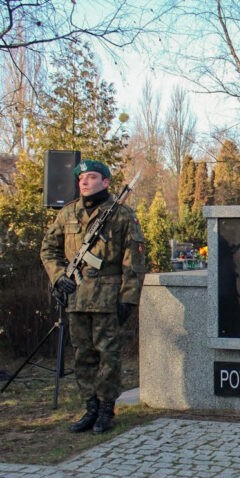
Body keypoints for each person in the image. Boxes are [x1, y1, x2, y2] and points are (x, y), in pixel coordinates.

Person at [40, 159, 146, 434]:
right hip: (76, 296)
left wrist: (128, 299)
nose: (84, 182)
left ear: (106, 182)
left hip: (108, 299)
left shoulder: (121, 215)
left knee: (108, 356)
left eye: (91, 177)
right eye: (81, 178)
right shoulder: (68, 213)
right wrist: (58, 276)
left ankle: (106, 409)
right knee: (83, 356)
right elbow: (48, 249)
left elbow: (133, 262)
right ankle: (90, 407)